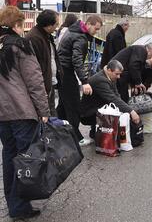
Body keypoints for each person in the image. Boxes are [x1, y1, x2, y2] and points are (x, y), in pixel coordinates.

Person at [0, 6, 49, 220]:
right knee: (25, 159)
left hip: (2, 115)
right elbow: (34, 81)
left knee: (9, 158)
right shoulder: (20, 45)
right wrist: (43, 110)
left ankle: (14, 204)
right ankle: (20, 207)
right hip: (21, 112)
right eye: (21, 25)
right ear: (16, 25)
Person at [57, 15, 103, 146]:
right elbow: (76, 60)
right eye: (96, 28)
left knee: (62, 106)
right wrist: (84, 81)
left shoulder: (73, 31)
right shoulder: (80, 37)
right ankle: (76, 137)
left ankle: (58, 133)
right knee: (73, 106)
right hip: (67, 73)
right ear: (88, 24)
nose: (96, 32)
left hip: (62, 71)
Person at [80, 60, 140, 139]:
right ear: (109, 70)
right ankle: (99, 134)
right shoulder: (100, 80)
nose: (118, 77)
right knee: (112, 109)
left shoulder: (109, 76)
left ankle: (96, 132)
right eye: (117, 74)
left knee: (116, 109)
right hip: (87, 113)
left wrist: (125, 110)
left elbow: (116, 95)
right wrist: (131, 111)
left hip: (97, 107)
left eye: (119, 74)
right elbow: (113, 99)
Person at [25, 9, 61, 116]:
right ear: (49, 25)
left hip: (48, 83)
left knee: (52, 114)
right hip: (42, 87)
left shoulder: (46, 35)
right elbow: (34, 67)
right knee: (47, 117)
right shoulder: (35, 38)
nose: (57, 27)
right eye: (56, 24)